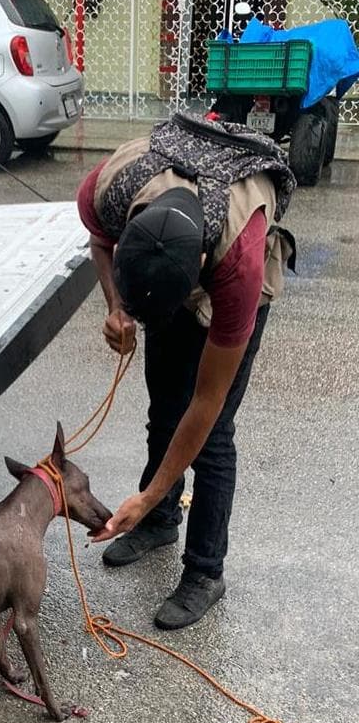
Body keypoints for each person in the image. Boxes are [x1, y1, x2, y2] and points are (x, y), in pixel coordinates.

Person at [80, 112, 295, 630]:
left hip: (237, 267)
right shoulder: (110, 188)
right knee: (162, 409)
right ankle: (159, 522)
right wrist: (116, 307)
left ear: (197, 260)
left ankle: (205, 570)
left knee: (213, 435)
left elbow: (207, 400)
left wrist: (147, 489)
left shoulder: (237, 264)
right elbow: (100, 244)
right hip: (175, 259)